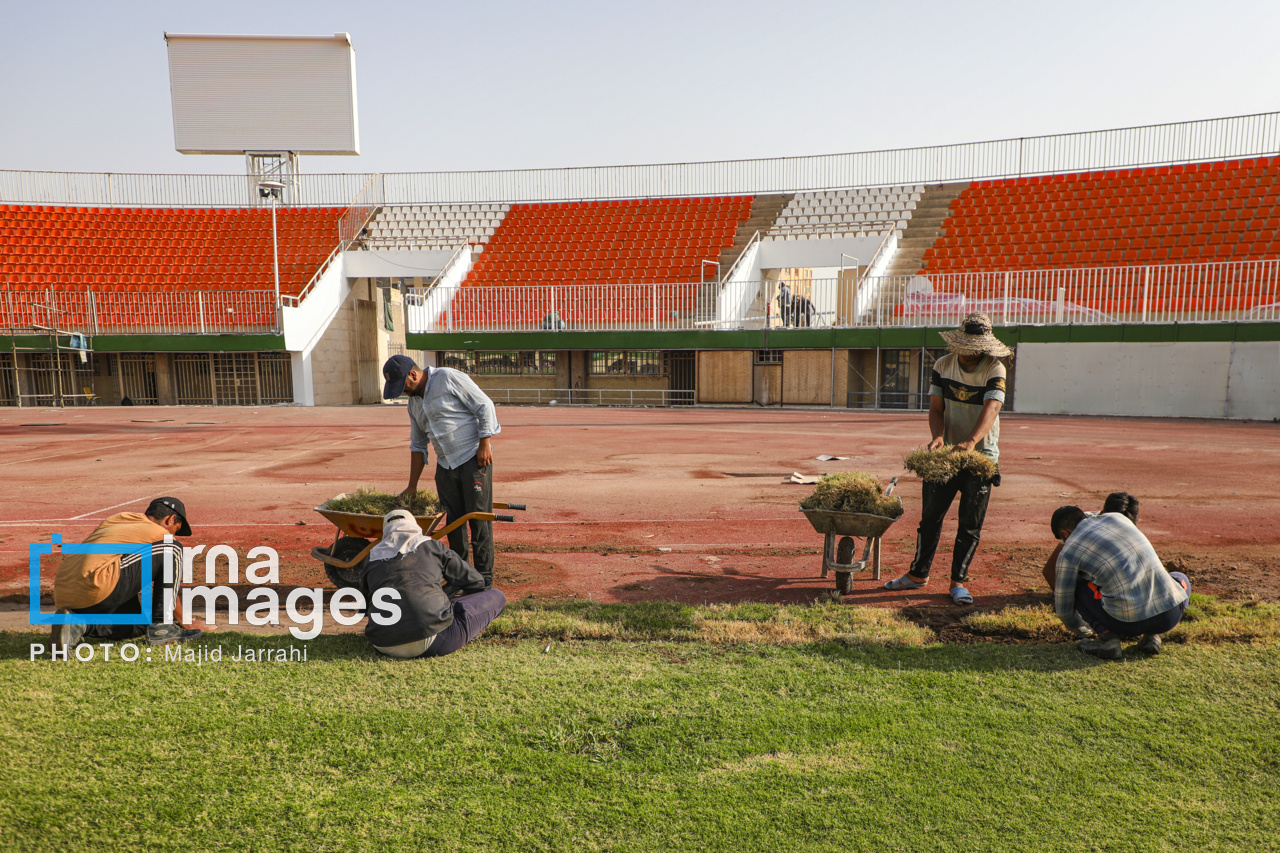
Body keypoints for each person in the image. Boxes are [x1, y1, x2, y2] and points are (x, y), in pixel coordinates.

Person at [883, 312, 1010, 605]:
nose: (969, 352)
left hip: (981, 457)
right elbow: (936, 409)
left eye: (974, 347)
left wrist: (970, 442)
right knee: (930, 518)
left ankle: (958, 582)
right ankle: (918, 574)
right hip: (945, 457)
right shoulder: (942, 365)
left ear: (983, 348)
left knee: (969, 524)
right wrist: (938, 436)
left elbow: (992, 408)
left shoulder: (995, 369)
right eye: (964, 345)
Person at [382, 354, 502, 588]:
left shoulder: (447, 378)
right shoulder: (414, 404)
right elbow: (418, 445)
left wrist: (484, 444)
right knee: (454, 524)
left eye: (403, 387)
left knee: (478, 522)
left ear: (413, 375)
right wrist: (412, 486)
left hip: (473, 459)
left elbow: (484, 405)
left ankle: (484, 581)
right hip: (446, 466)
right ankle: (460, 578)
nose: (403, 393)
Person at [51, 496, 202, 651]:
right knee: (173, 549)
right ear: (171, 519)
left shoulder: (119, 520)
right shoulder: (157, 531)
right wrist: (186, 622)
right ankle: (162, 628)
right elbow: (167, 580)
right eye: (176, 529)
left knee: (141, 623)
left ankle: (78, 624)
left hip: (66, 596)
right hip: (96, 584)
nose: (173, 534)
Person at [1047, 505, 1191, 659]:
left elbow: (1064, 609)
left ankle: (1107, 639)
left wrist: (1082, 631)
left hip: (1126, 624)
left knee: (1075, 584)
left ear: (1065, 534)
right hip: (1169, 617)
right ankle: (1153, 635)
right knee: (1181, 579)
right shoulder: (1118, 518)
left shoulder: (1069, 552)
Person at [359, 510, 507, 658]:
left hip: (383, 645)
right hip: (434, 641)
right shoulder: (431, 546)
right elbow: (477, 583)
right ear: (414, 526)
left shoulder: (371, 557)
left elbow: (364, 607)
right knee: (497, 596)